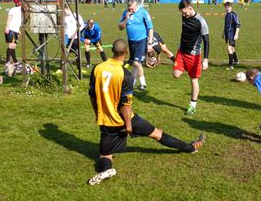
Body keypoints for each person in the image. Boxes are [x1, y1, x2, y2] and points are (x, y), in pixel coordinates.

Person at [87, 38, 206, 186]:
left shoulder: (97, 68)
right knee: (157, 134)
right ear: (126, 52)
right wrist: (129, 125)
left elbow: (92, 95)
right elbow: (125, 104)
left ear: (112, 50)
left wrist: (98, 113)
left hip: (106, 120)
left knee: (105, 155)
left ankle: (107, 170)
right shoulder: (125, 75)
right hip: (125, 119)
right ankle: (191, 147)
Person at [173, 0, 209, 115]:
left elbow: (207, 42)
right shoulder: (184, 16)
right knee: (176, 74)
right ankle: (183, 68)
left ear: (190, 8)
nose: (184, 15)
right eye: (182, 13)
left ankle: (192, 105)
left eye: (185, 12)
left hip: (194, 55)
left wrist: (206, 60)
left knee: (194, 80)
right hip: (181, 52)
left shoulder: (201, 21)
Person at [118, 0, 154, 90]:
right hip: (131, 41)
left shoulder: (143, 12)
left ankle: (143, 83)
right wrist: (126, 18)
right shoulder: (126, 13)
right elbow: (120, 27)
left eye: (132, 9)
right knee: (135, 63)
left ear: (136, 6)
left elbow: (150, 28)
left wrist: (149, 43)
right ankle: (133, 84)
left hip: (141, 40)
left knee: (136, 62)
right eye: (129, 9)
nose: (130, 11)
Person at [64, 4, 85, 70]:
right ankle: (62, 68)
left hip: (75, 38)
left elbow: (82, 25)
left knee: (77, 53)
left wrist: (77, 31)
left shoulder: (76, 16)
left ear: (68, 9)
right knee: (64, 52)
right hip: (66, 37)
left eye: (65, 10)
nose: (64, 12)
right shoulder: (64, 17)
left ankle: (79, 69)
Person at [223, 2, 240, 70]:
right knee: (232, 48)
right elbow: (226, 24)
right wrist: (223, 32)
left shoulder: (234, 14)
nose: (226, 8)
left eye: (228, 6)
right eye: (226, 7)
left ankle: (231, 65)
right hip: (227, 34)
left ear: (231, 7)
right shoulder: (227, 14)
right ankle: (236, 60)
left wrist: (236, 34)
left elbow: (238, 25)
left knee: (229, 48)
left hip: (231, 34)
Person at [4, 1, 22, 65]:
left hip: (15, 30)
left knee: (13, 46)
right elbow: (9, 18)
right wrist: (7, 27)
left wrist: (19, 30)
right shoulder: (14, 9)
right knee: (11, 46)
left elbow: (17, 22)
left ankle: (15, 61)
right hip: (11, 29)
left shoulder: (21, 12)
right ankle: (7, 61)